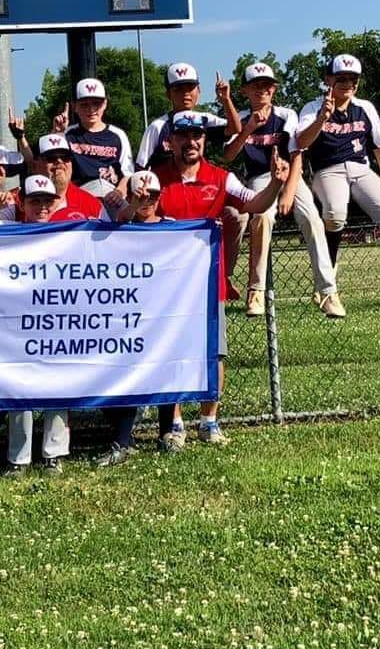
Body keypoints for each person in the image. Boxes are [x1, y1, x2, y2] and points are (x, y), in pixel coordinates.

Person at [154, 111, 290, 451]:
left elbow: (255, 204)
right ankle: (175, 424)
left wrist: (275, 182)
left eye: (197, 135)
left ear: (204, 140)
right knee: (172, 354)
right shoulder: (156, 179)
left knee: (214, 354)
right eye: (184, 135)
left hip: (207, 283)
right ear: (170, 141)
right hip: (167, 288)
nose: (192, 141)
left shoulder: (221, 178)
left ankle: (209, 421)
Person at [223, 63, 345, 317]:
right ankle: (255, 291)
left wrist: (289, 191)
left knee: (312, 218)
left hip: (290, 174)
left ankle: (327, 292)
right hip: (260, 176)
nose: (262, 90)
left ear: (274, 89)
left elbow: (296, 152)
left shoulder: (286, 114)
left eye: (267, 85)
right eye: (255, 85)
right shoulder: (241, 118)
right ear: (245, 90)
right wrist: (247, 130)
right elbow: (228, 156)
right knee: (262, 218)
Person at [0, 169, 70, 476]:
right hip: (16, 323)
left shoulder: (68, 233)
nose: (42, 206)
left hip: (54, 319)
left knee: (57, 386)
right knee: (19, 387)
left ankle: (53, 454)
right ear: (22, 202)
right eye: (35, 201)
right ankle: (19, 458)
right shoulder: (8, 228)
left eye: (47, 201)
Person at [135, 62, 244, 299]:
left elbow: (235, 128)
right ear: (168, 94)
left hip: (204, 194)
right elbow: (141, 168)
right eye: (178, 89)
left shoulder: (204, 120)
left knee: (235, 217)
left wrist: (226, 100)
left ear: (198, 91)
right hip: (165, 200)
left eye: (190, 87)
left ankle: (223, 275)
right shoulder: (158, 126)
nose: (185, 94)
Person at [94, 170, 169, 467]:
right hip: (128, 315)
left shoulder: (175, 229)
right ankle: (123, 438)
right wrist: (131, 205)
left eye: (152, 196)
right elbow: (121, 219)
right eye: (140, 196)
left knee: (165, 368)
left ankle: (166, 433)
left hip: (163, 310)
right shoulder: (120, 228)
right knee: (125, 374)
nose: (146, 201)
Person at [296, 54, 380, 271]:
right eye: (341, 78)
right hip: (328, 170)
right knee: (335, 214)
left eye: (353, 79)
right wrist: (321, 119)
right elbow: (301, 142)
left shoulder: (364, 107)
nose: (348, 84)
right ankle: (329, 270)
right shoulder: (313, 107)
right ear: (328, 79)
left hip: (361, 169)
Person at [53, 79, 133, 194]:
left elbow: (128, 173)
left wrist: (119, 192)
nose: (91, 109)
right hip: (79, 195)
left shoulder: (118, 135)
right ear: (75, 106)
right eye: (84, 104)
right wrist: (57, 133)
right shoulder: (68, 134)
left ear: (105, 104)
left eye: (96, 103)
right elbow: (50, 164)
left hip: (111, 194)